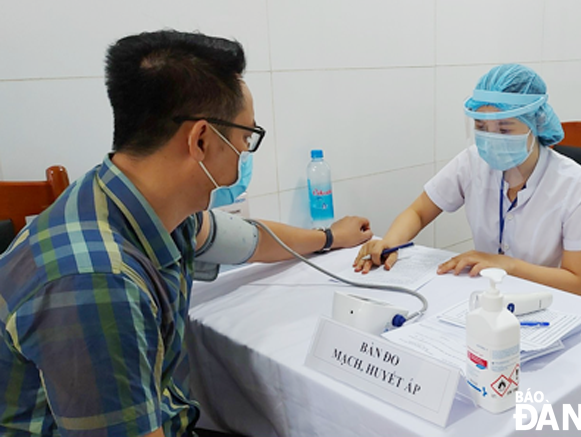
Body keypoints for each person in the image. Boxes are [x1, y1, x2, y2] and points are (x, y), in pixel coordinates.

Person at [0, 30, 372, 437]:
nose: (245, 153)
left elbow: (252, 239)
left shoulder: (140, 203)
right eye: (246, 137)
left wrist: (329, 238)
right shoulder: (96, 283)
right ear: (201, 139)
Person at [354, 64, 581, 296]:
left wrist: (506, 265)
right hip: (484, 297)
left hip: (547, 304)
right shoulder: (472, 162)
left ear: (536, 122)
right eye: (481, 126)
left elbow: (576, 283)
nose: (491, 138)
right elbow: (419, 212)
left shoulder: (576, 184)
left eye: (504, 128)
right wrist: (390, 242)